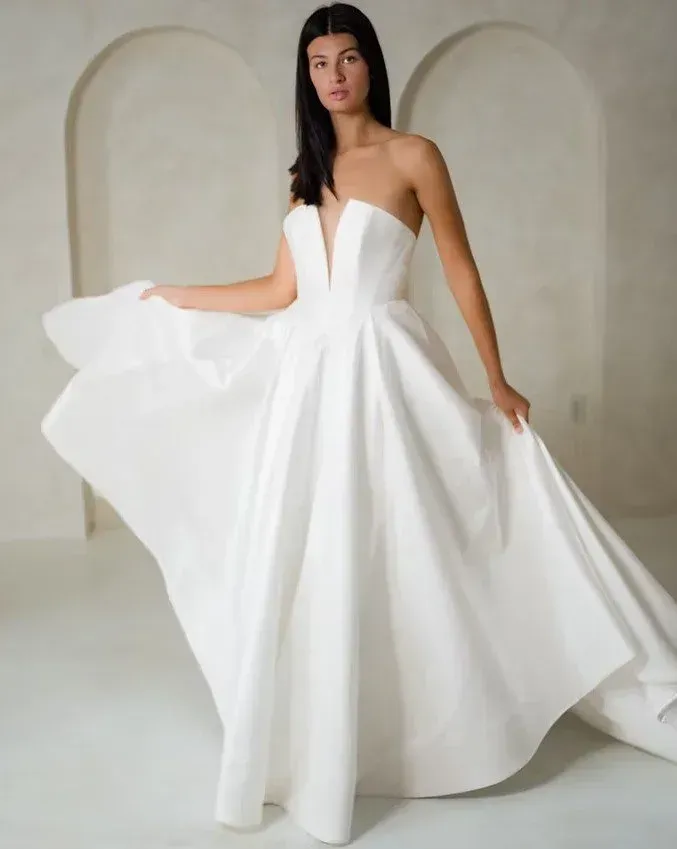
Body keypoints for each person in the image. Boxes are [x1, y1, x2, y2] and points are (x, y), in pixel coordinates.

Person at [41, 3, 677, 846]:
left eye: (347, 57)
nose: (333, 74)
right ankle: (338, 722)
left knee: (418, 531)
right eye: (318, 62)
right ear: (305, 76)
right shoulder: (305, 172)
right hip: (308, 375)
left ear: (371, 64)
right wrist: (175, 295)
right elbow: (280, 291)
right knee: (319, 543)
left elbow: (459, 268)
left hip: (384, 366)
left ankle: (455, 708)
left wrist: (495, 376)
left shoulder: (414, 156)